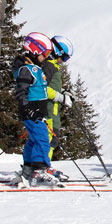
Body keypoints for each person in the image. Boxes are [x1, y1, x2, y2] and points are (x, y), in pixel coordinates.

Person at [12, 32, 59, 186]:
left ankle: (27, 169)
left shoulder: (35, 68)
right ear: (35, 50)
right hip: (32, 112)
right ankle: (39, 171)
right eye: (45, 53)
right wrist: (28, 110)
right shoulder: (27, 70)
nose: (46, 56)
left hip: (38, 112)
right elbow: (21, 93)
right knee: (43, 140)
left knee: (34, 141)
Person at [43, 34, 74, 181]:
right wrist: (61, 97)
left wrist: (63, 92)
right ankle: (43, 167)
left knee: (52, 139)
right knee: (50, 139)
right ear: (58, 51)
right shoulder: (48, 66)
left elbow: (51, 86)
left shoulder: (52, 66)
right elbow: (42, 88)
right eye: (65, 57)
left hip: (52, 109)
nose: (64, 61)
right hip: (48, 109)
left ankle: (43, 166)